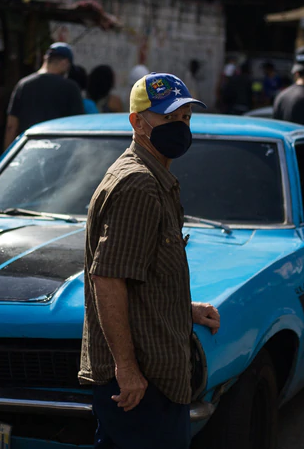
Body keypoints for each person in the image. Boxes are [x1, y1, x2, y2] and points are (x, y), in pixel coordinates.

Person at [79, 72, 221, 449]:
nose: (180, 127)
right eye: (169, 117)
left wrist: (183, 308)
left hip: (149, 380)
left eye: (186, 118)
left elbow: (140, 272)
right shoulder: (138, 184)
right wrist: (127, 370)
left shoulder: (155, 178)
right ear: (137, 122)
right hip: (142, 385)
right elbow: (108, 279)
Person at [4, 42, 84, 149]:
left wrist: (7, 155)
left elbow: (11, 126)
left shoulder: (23, 85)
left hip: (28, 151)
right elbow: (78, 126)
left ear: (45, 59)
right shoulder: (71, 88)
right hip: (58, 152)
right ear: (65, 63)